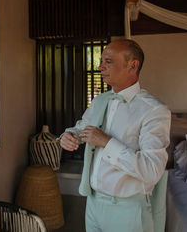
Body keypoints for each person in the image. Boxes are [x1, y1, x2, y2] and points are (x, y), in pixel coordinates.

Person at [60, 39, 170, 232]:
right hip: (93, 204)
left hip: (128, 210)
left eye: (108, 61)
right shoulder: (99, 101)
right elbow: (82, 128)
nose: (100, 67)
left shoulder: (154, 111)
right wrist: (69, 135)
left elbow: (152, 169)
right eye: (101, 61)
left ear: (132, 65)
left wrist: (106, 142)